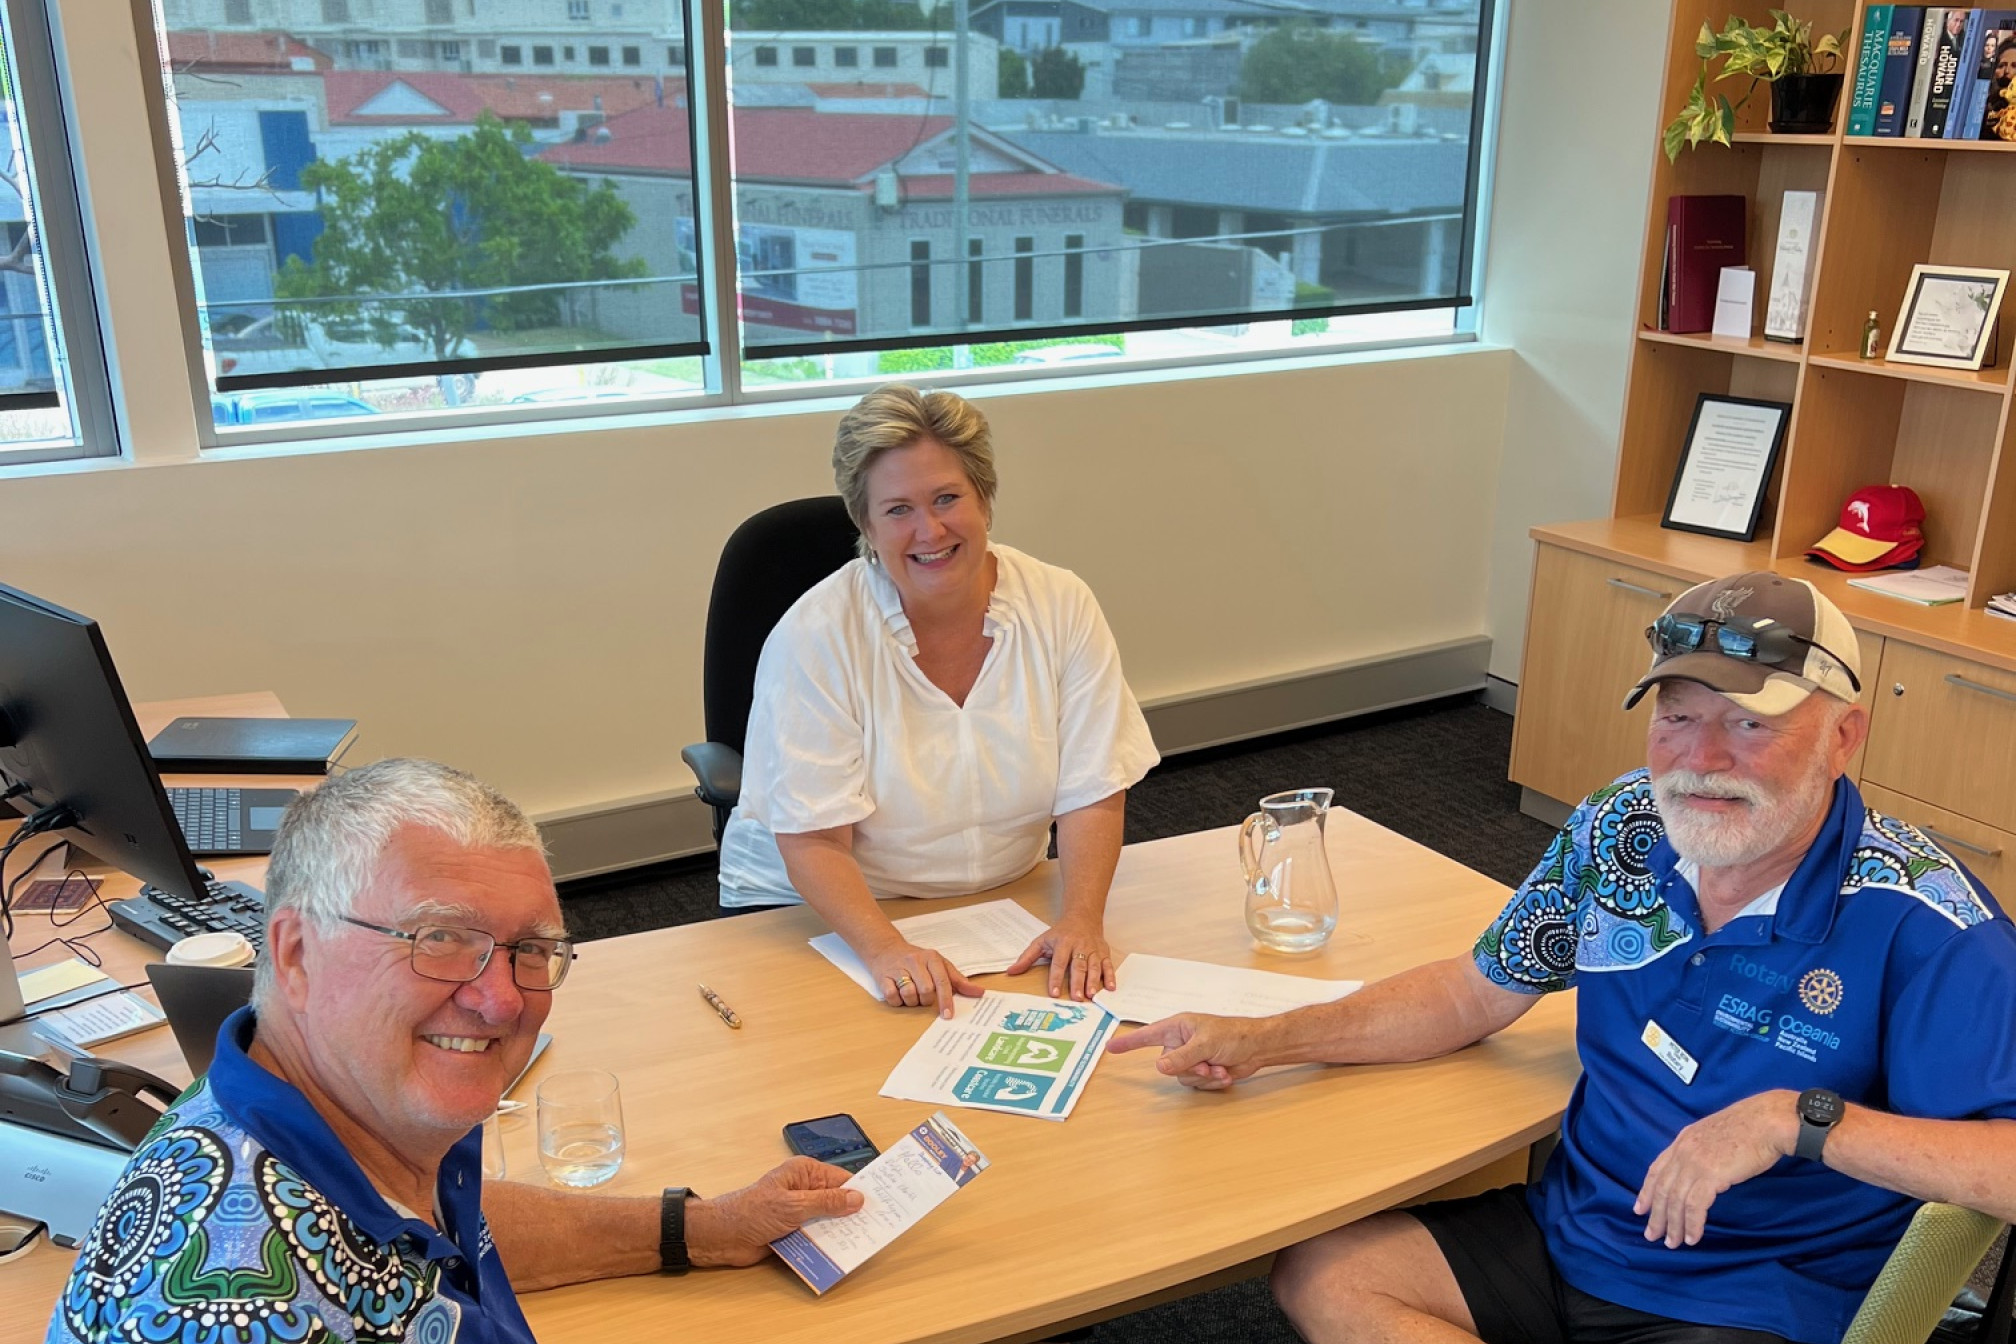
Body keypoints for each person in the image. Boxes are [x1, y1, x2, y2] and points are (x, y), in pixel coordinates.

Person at [1109, 573, 2016, 1344]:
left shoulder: (1925, 919)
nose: (1700, 759)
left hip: (1759, 1295)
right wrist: (1268, 1038)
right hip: (1576, 1232)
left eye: (1748, 725)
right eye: (1677, 715)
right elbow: (1473, 992)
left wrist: (1796, 1119)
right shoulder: (1621, 826)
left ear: (1845, 737)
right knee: (1325, 1273)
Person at [49, 759, 860, 1344]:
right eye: (438, 938)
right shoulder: (245, 1309)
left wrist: (704, 1228)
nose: (503, 999)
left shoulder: (316, 1110)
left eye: (533, 948)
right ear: (295, 953)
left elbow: (442, 1217)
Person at [717, 385, 1160, 1014]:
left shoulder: (1060, 604)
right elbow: (814, 840)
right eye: (898, 509)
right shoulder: (816, 635)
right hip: (823, 916)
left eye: (948, 498)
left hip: (999, 905)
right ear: (865, 524)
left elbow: (1094, 788)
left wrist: (1082, 920)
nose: (930, 530)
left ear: (984, 498)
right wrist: (884, 949)